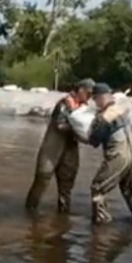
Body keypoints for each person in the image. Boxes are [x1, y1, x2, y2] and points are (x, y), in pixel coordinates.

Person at [25, 78, 96, 213]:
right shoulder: (64, 103)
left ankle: (63, 214)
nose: (90, 97)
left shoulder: (83, 107)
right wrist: (77, 129)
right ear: (80, 90)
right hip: (52, 148)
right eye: (88, 93)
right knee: (42, 180)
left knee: (66, 186)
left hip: (70, 149)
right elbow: (59, 125)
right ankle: (30, 211)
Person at [86, 83, 132, 226]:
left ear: (100, 98)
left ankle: (101, 227)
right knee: (128, 190)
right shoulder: (121, 109)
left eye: (95, 99)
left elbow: (93, 141)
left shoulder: (103, 117)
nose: (95, 103)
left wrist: (87, 132)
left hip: (118, 156)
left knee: (97, 188)